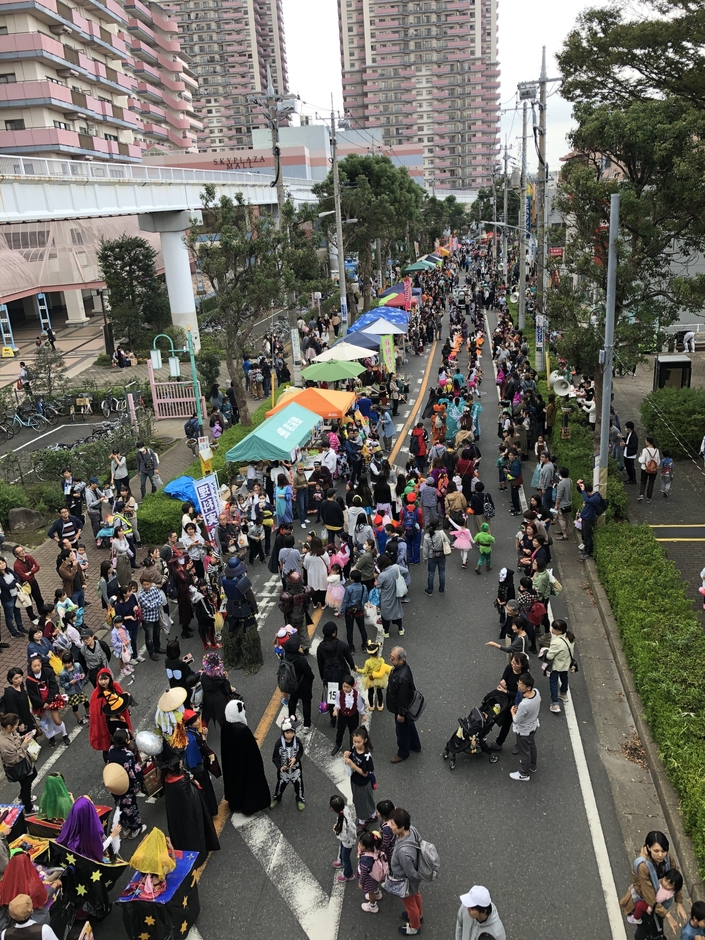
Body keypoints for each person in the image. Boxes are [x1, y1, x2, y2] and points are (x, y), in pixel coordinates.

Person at [619, 831, 687, 937]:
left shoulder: (668, 857)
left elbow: (675, 877)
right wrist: (668, 916)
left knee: (655, 928)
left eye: (663, 850)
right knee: (646, 928)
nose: (661, 855)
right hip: (646, 902)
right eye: (656, 851)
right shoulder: (643, 866)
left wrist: (679, 902)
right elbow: (649, 897)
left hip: (658, 904)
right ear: (648, 848)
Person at [221, 698, 271, 814]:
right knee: (248, 783)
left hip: (231, 764)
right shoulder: (242, 730)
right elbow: (252, 753)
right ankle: (250, 806)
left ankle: (235, 803)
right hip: (245, 765)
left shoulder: (226, 726)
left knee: (234, 783)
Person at [389, 807, 423, 935]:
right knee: (416, 895)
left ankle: (414, 927)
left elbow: (410, 874)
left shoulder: (404, 852)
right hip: (413, 881)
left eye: (393, 824)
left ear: (402, 826)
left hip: (405, 881)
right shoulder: (412, 830)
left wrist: (416, 877)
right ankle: (419, 916)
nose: (390, 826)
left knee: (410, 904)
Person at [387, 647, 421, 764]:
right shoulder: (404, 668)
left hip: (401, 709)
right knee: (409, 724)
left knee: (401, 731)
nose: (391, 660)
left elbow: (402, 697)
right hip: (407, 708)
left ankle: (403, 753)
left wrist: (401, 713)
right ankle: (415, 745)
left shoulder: (401, 677)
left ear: (401, 660)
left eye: (393, 658)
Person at [0, 713, 37, 814]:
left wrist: (25, 737)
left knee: (33, 774)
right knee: (26, 786)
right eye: (16, 725)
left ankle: (23, 795)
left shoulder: (11, 732)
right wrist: (25, 744)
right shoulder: (4, 744)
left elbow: (17, 739)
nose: (18, 726)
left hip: (25, 761)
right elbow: (14, 759)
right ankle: (28, 808)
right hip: (18, 767)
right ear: (9, 726)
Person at [509, 671, 540, 782]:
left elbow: (516, 720)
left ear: (528, 687)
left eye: (522, 684)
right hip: (533, 725)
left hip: (524, 731)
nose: (519, 685)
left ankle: (524, 773)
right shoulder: (536, 692)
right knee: (532, 746)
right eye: (519, 683)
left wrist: (512, 711)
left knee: (524, 751)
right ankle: (532, 765)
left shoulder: (524, 704)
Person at [270, 717, 306, 811]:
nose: (289, 735)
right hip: (284, 772)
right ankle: (277, 798)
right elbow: (274, 758)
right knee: (280, 787)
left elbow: (301, 752)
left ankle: (300, 799)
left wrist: (296, 759)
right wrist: (280, 767)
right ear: (283, 732)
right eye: (287, 732)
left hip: (296, 770)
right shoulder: (279, 743)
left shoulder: (297, 741)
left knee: (299, 786)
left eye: (291, 732)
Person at [344, 726, 376, 826]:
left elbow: (364, 773)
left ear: (365, 740)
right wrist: (346, 755)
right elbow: (351, 755)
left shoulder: (366, 756)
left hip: (362, 783)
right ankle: (373, 815)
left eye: (359, 742)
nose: (356, 744)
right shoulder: (354, 748)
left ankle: (362, 822)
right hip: (355, 780)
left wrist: (352, 764)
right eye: (354, 741)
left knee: (361, 802)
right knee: (364, 799)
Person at [543, 619, 576, 714]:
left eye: (554, 628)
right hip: (566, 663)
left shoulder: (556, 642)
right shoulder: (570, 637)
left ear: (560, 631)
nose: (552, 629)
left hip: (556, 665)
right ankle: (563, 693)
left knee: (553, 682)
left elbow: (549, 656)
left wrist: (545, 650)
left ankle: (555, 703)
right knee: (564, 678)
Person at [282, 635, 314, 733]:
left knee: (292, 700)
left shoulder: (284, 656)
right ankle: (306, 725)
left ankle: (292, 720)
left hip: (291, 684)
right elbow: (309, 673)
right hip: (304, 684)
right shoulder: (301, 660)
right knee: (306, 703)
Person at [331, 674, 366, 757]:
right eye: (344, 686)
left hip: (353, 716)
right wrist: (335, 710)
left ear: (352, 686)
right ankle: (338, 744)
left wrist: (362, 714)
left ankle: (353, 748)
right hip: (343, 715)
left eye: (347, 687)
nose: (345, 689)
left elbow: (360, 705)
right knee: (340, 730)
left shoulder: (356, 694)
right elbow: (337, 703)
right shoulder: (339, 693)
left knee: (353, 732)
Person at [329, 794, 357, 884]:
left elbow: (343, 837)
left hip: (347, 841)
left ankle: (348, 874)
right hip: (351, 836)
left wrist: (335, 830)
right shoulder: (345, 809)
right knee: (341, 849)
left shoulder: (342, 823)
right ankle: (340, 860)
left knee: (346, 857)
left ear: (332, 808)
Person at [12, 546, 42, 626]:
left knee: (39, 599)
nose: (23, 552)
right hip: (25, 585)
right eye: (20, 551)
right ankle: (32, 617)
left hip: (33, 581)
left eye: (23, 550)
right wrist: (32, 572)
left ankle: (42, 613)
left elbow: (37, 567)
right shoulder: (17, 565)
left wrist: (30, 572)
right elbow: (23, 577)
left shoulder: (28, 557)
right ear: (16, 555)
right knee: (28, 602)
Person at [339, 569, 368, 653]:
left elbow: (345, 601)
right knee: (362, 629)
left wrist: (341, 612)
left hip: (350, 612)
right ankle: (364, 646)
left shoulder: (348, 588)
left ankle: (351, 648)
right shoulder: (364, 587)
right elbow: (365, 599)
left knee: (349, 630)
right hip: (360, 611)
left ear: (352, 579)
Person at [376, 555, 404, 638]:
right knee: (397, 613)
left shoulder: (382, 575)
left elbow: (378, 587)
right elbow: (405, 571)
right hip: (396, 595)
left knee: (385, 616)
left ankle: (386, 632)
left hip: (386, 597)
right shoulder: (395, 568)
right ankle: (400, 629)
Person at [576, 479, 602, 560]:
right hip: (585, 518)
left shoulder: (595, 498)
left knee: (588, 536)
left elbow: (587, 500)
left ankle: (588, 552)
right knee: (584, 535)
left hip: (589, 519)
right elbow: (582, 494)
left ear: (587, 492)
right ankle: (585, 549)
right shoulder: (590, 496)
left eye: (584, 492)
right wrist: (579, 485)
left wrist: (583, 490)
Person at [422, 520, 448, 596]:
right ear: (437, 526)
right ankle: (441, 589)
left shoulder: (427, 536)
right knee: (442, 573)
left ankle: (430, 590)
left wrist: (425, 558)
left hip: (431, 556)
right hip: (441, 555)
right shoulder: (441, 533)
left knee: (431, 573)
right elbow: (448, 542)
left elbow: (425, 549)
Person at [638, 435, 661, 503]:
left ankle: (641, 495)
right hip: (654, 470)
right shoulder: (657, 450)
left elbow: (642, 460)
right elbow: (658, 462)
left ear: (648, 442)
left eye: (646, 441)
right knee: (651, 483)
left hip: (645, 469)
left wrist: (640, 456)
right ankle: (649, 498)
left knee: (643, 482)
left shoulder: (645, 450)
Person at [553, 468, 573, 540]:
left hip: (562, 505)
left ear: (560, 474)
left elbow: (559, 496)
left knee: (561, 519)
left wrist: (556, 505)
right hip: (568, 503)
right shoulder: (570, 480)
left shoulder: (561, 484)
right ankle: (564, 531)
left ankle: (564, 535)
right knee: (566, 518)